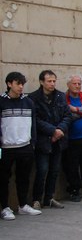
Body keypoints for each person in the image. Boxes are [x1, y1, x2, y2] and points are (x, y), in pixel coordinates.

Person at [1, 72, 42, 220]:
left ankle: (23, 205)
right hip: (5, 148)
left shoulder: (28, 102)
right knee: (3, 178)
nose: (20, 87)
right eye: (17, 83)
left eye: (22, 84)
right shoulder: (2, 102)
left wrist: (33, 143)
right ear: (9, 84)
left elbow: (33, 125)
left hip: (25, 146)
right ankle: (5, 207)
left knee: (24, 177)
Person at [29, 70, 70, 209]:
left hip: (58, 140)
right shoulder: (33, 98)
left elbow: (67, 115)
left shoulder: (60, 96)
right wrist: (53, 131)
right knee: (42, 170)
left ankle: (49, 198)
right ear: (41, 82)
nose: (52, 84)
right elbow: (36, 120)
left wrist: (59, 130)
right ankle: (36, 199)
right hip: (43, 141)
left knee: (54, 170)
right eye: (49, 81)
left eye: (54, 81)